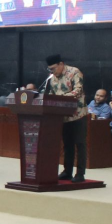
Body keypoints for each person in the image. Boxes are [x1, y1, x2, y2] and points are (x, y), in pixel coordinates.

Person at [44, 54, 87, 182]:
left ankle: (80, 174)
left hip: (78, 114)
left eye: (53, 68)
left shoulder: (74, 72)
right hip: (62, 115)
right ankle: (67, 172)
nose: (52, 71)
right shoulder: (52, 78)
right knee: (67, 145)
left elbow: (78, 90)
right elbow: (51, 93)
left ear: (61, 64)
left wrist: (60, 98)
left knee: (80, 143)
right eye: (50, 69)